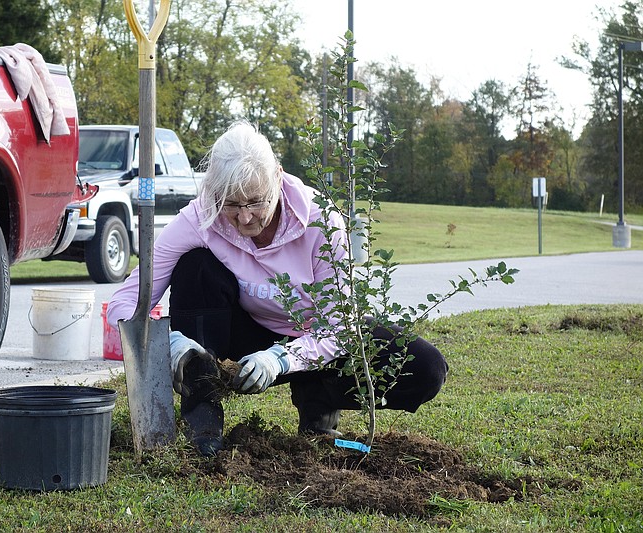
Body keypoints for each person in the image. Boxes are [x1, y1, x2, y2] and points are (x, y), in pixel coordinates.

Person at [106, 120, 448, 456]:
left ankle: (317, 402)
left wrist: (282, 360)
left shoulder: (322, 221)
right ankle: (203, 415)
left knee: (425, 367)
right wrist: (172, 345)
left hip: (315, 338)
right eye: (232, 204)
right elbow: (125, 304)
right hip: (241, 336)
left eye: (256, 202)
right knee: (196, 267)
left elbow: (340, 326)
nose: (244, 218)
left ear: (278, 178)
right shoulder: (201, 216)